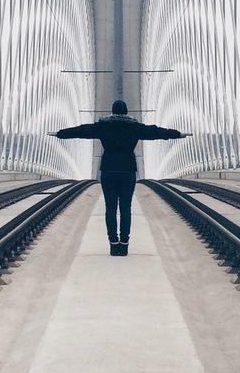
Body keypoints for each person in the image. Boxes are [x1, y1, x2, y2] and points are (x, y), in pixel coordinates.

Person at [51, 99, 191, 256]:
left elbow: (81, 131)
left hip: (108, 170)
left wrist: (59, 134)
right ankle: (124, 245)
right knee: (125, 208)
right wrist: (177, 134)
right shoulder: (134, 127)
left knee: (110, 209)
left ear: (112, 112)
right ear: (126, 112)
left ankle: (113, 244)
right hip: (127, 171)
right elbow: (156, 132)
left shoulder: (103, 127)